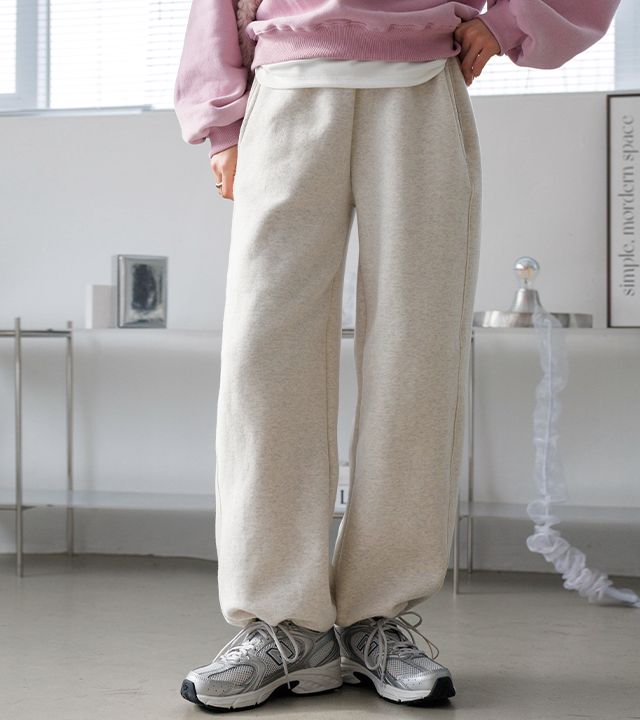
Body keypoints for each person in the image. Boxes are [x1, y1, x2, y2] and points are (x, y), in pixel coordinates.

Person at [173, 0, 619, 710]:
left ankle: (376, 616)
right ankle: (282, 625)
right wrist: (221, 120)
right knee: (264, 364)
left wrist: (511, 19)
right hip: (287, 87)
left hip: (420, 87)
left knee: (417, 358)